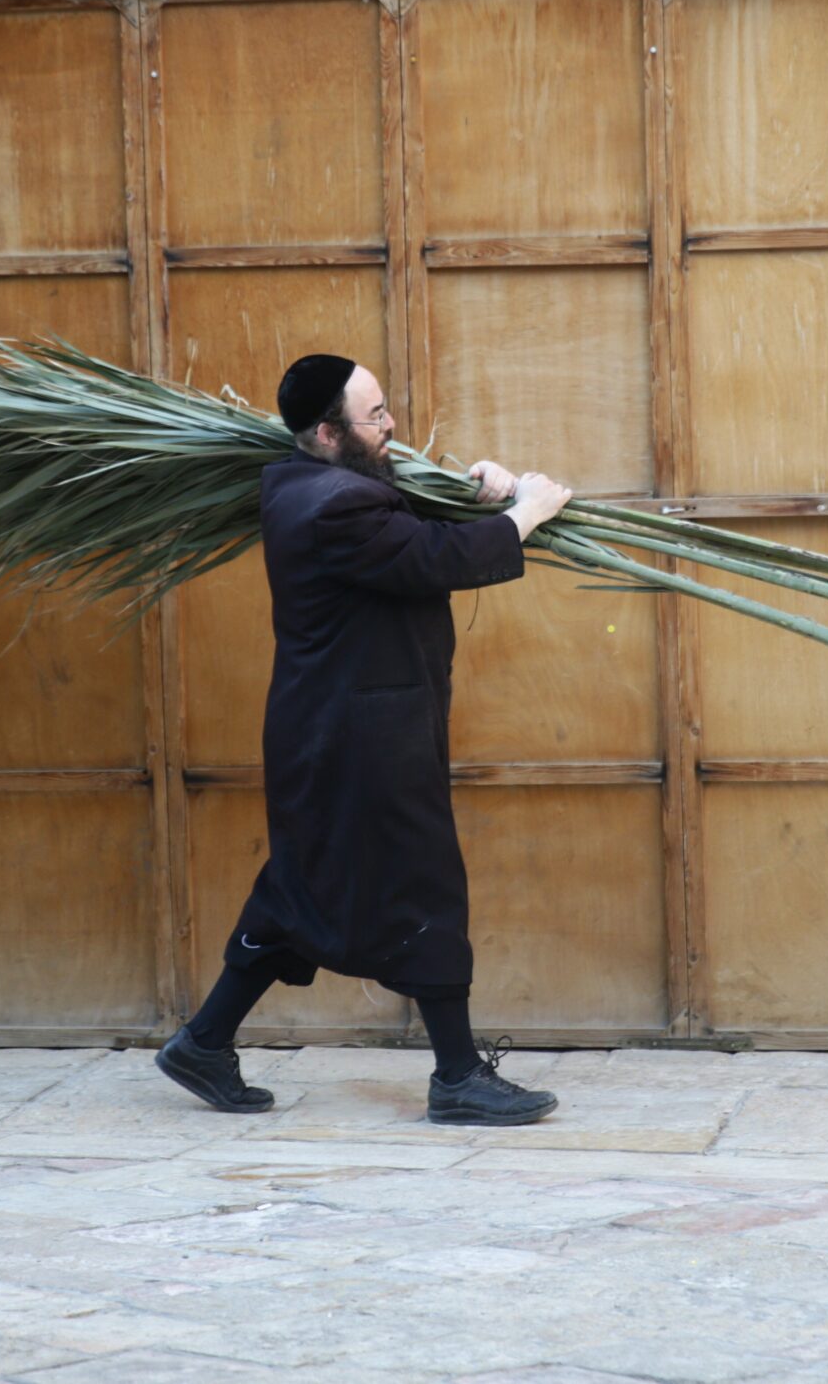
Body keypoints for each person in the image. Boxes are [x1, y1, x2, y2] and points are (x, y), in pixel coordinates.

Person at [156, 353, 573, 1126]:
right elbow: (426, 559)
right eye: (374, 416)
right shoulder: (329, 506)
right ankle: (457, 1076)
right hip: (359, 738)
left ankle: (204, 1041)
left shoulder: (312, 481)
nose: (390, 426)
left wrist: (483, 488)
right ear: (325, 432)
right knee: (424, 881)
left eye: (385, 408)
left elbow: (405, 523)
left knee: (298, 889)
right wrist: (526, 514)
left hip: (333, 730)